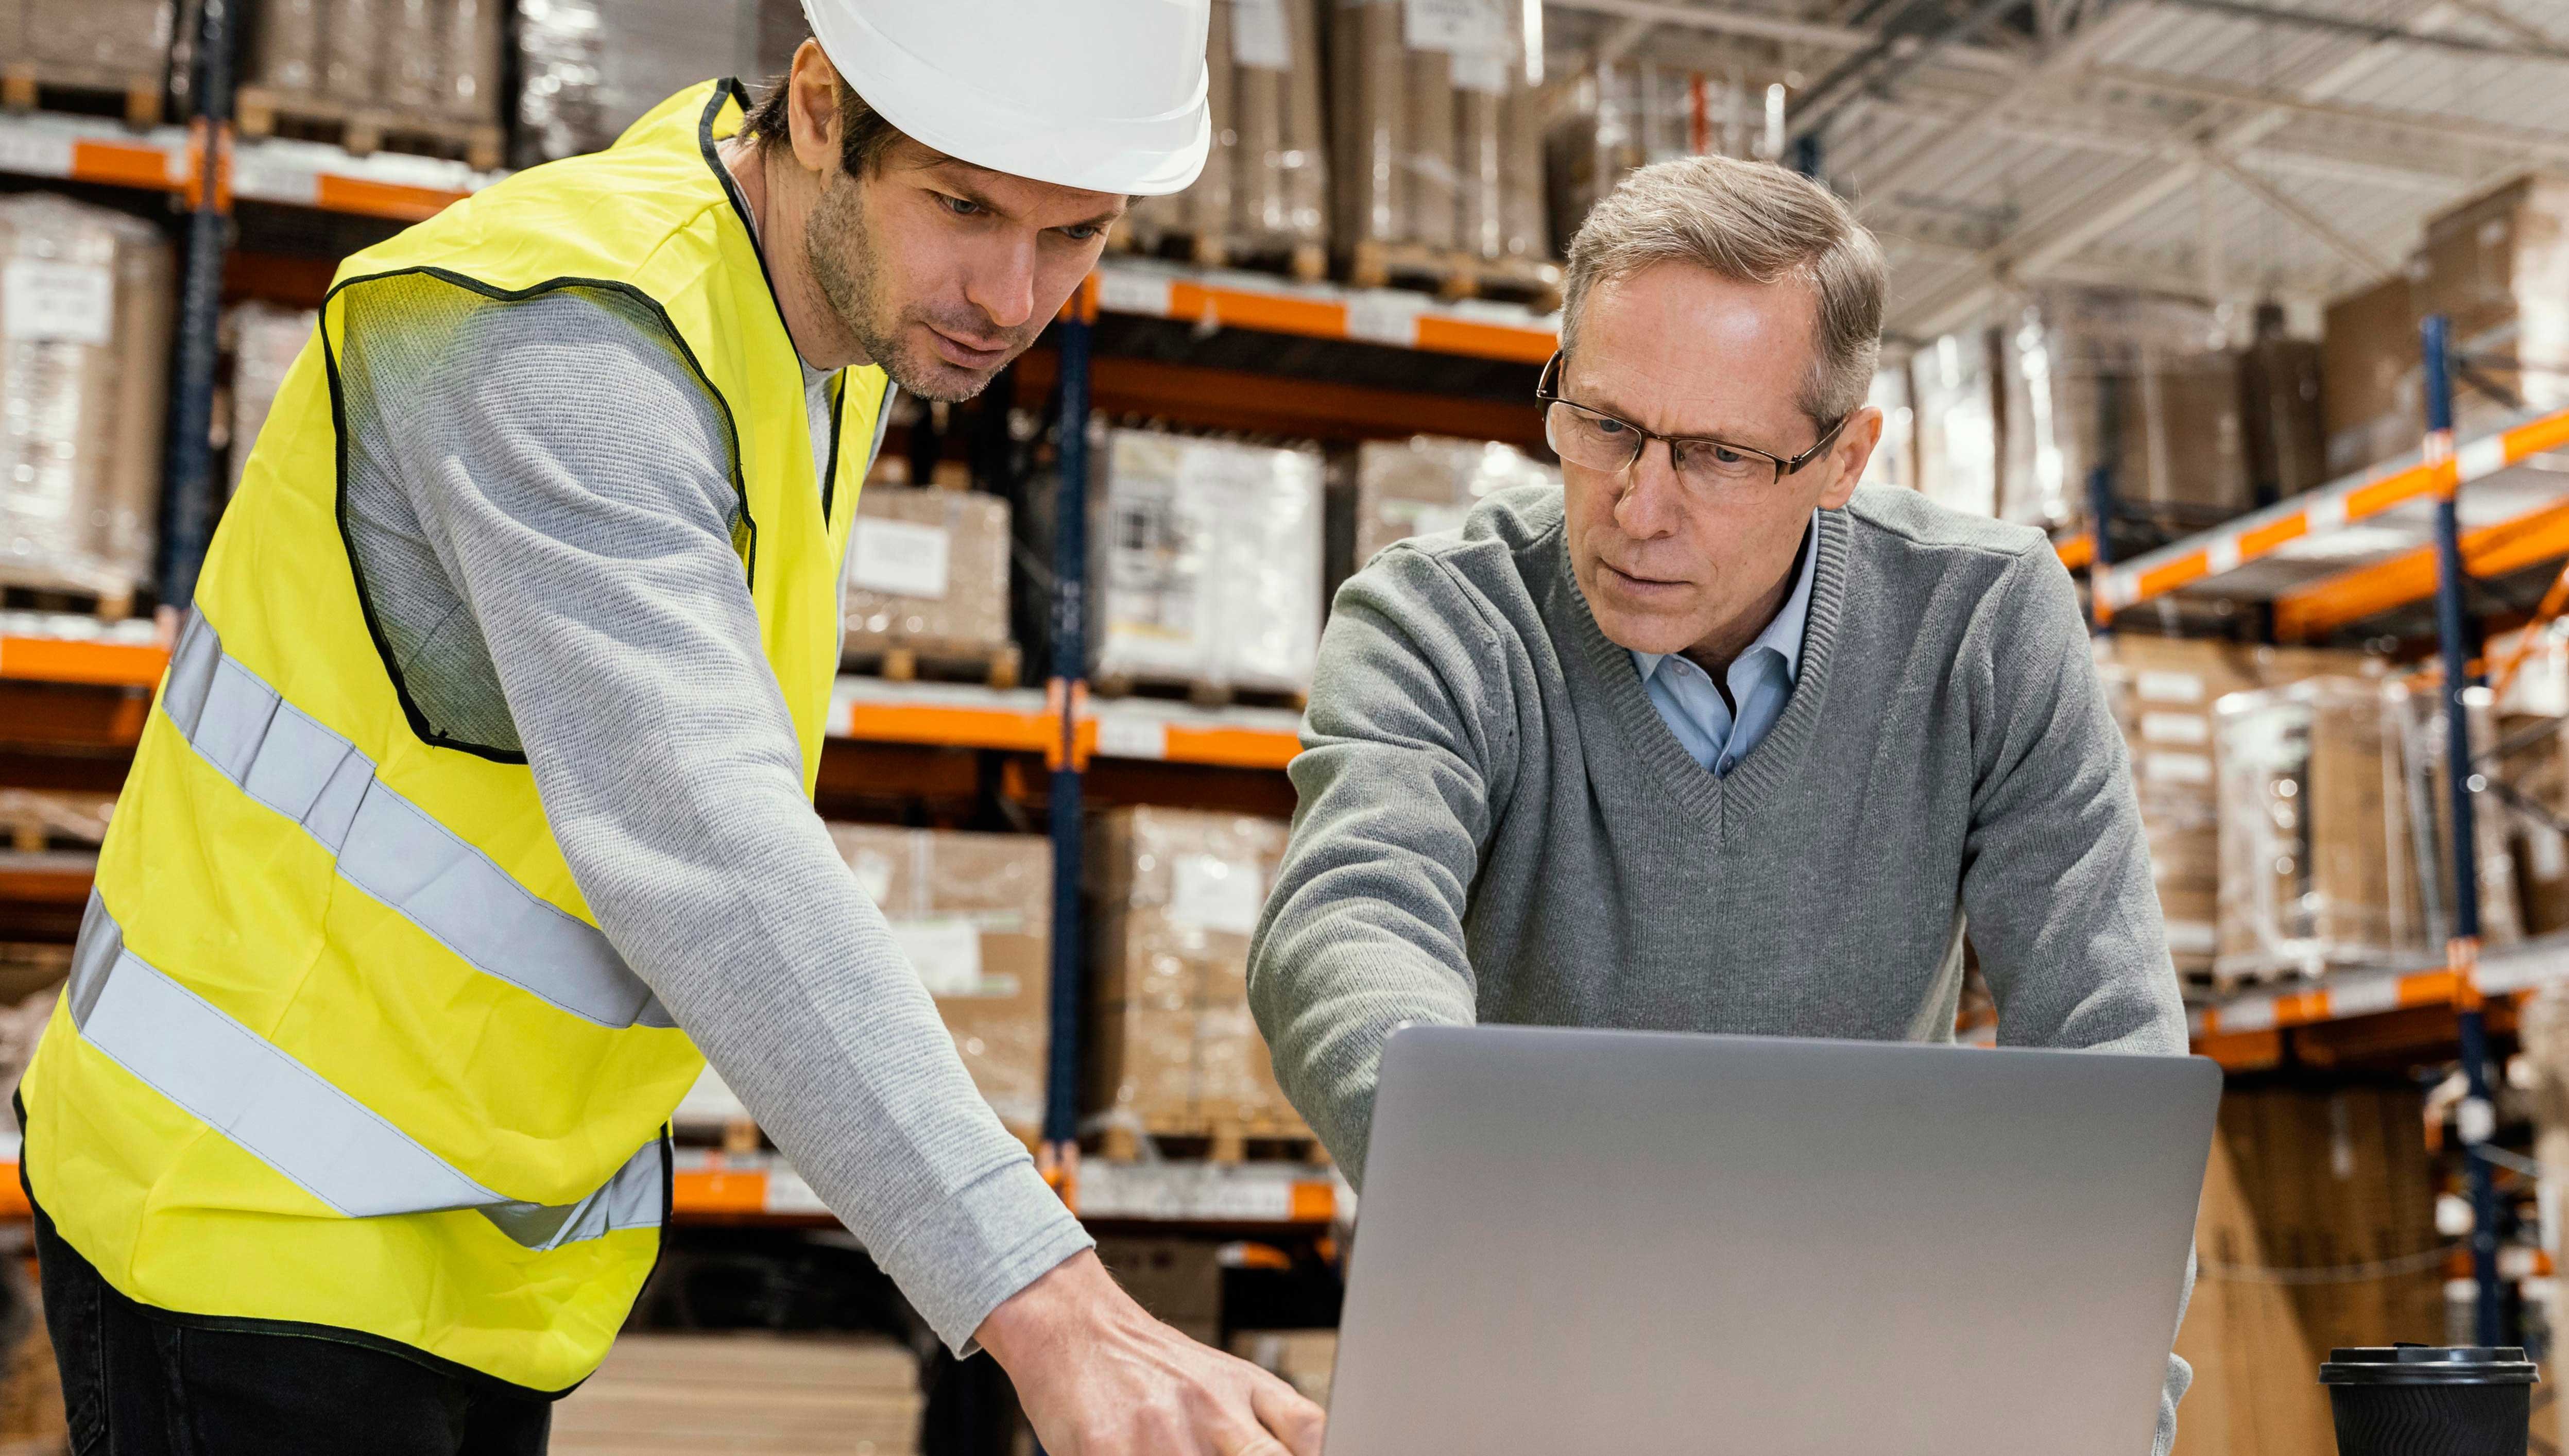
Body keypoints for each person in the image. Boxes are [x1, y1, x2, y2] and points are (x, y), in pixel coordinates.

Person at [18, 5, 1323, 1454]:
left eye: (1076, 233)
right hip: (253, 1223)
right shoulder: (559, 336)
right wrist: (1048, 1296)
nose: (1012, 294)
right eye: (962, 206)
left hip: (462, 1251)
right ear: (818, 109)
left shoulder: (814, 321)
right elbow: (702, 838)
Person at [1247, 153, 2194, 1452]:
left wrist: (2100, 1395)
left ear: (1844, 456)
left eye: (1717, 456)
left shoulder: (1981, 619)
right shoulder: (1436, 617)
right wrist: (1497, 1189)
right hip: (1526, 1363)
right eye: (1605, 426)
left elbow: (2108, 1033)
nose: (1639, 507)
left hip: (1870, 1390)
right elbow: (1345, 927)